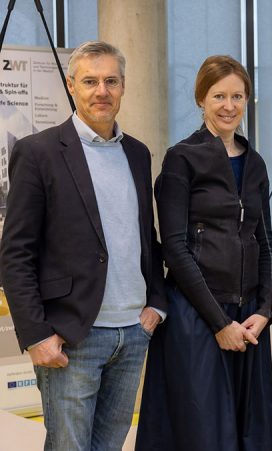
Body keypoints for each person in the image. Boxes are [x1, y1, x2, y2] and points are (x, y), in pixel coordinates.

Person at [0, 40, 166, 450]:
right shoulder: (38, 152)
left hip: (132, 332)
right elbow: (15, 251)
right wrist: (36, 333)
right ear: (71, 86)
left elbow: (147, 237)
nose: (102, 91)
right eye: (90, 81)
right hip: (73, 335)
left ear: (124, 86)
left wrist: (156, 304)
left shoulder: (138, 153)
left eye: (111, 80)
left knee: (110, 446)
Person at [135, 55, 272, 451]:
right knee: (202, 433)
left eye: (237, 96)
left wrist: (263, 311)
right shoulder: (182, 158)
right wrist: (218, 323)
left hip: (247, 318)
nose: (228, 105)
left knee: (250, 431)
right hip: (197, 318)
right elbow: (176, 250)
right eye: (219, 96)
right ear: (201, 99)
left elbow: (265, 242)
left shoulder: (256, 162)